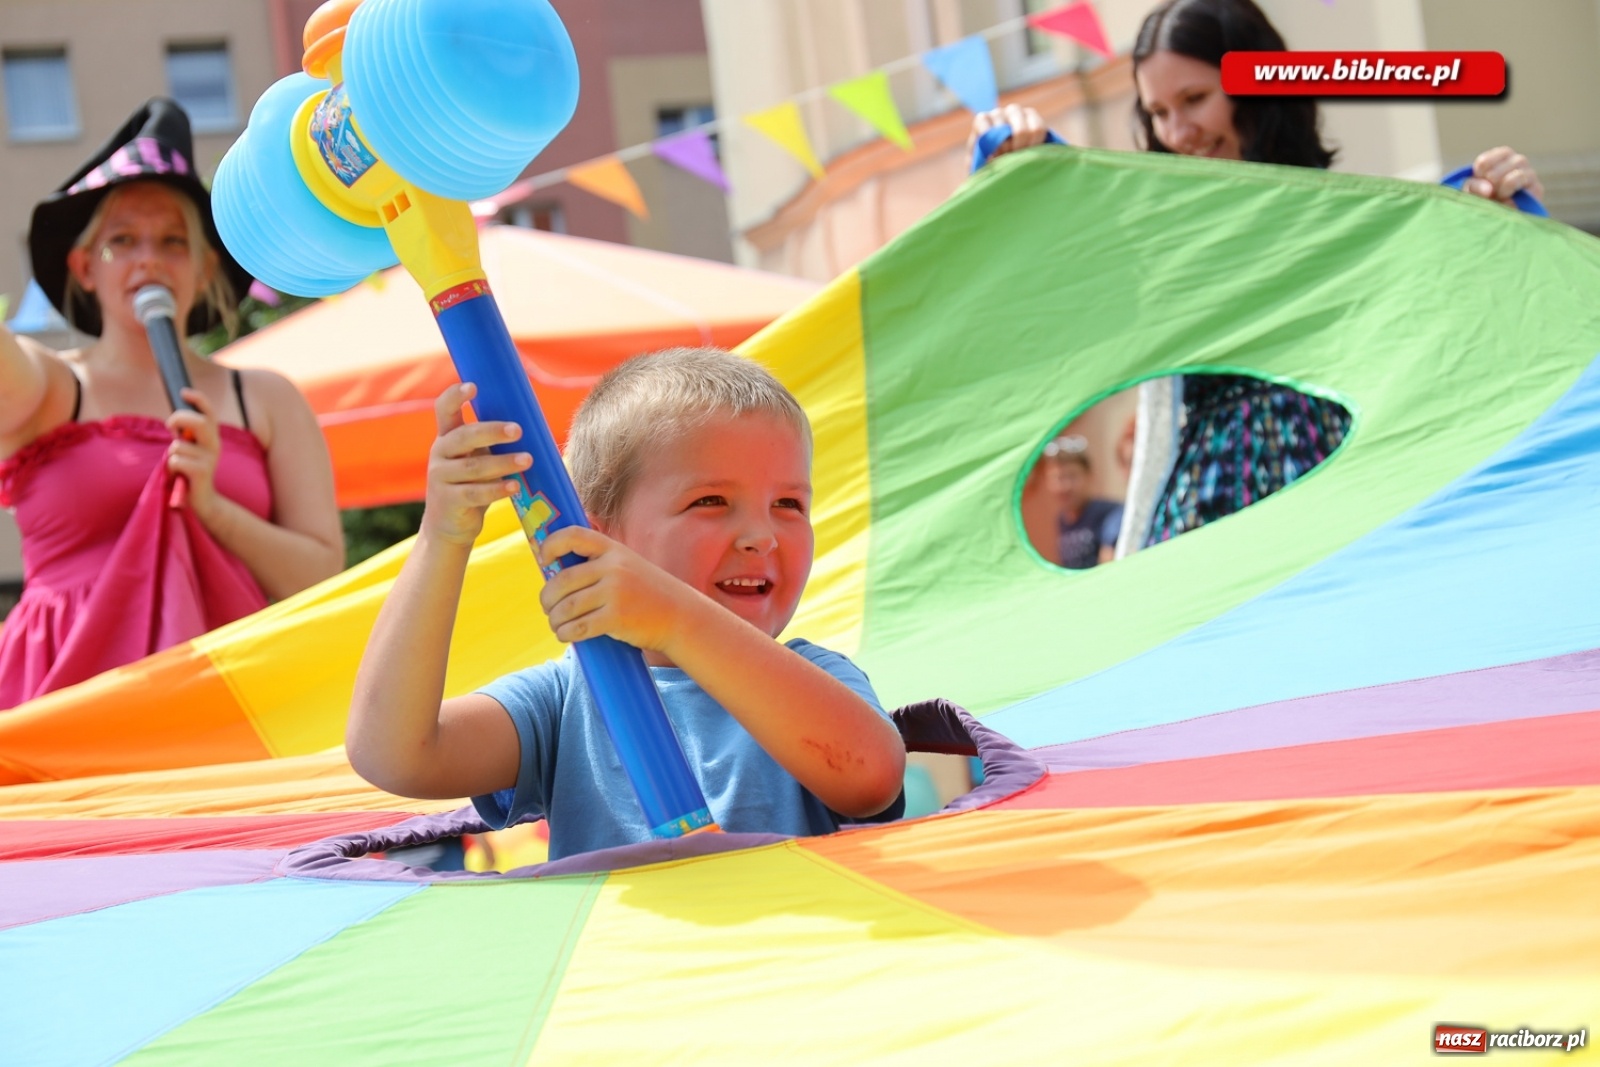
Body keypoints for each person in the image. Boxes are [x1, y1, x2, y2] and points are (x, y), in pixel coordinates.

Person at [968, 0, 1543, 549]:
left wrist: (1500, 222)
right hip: (1204, 521)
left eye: (1194, 98)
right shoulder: (1155, 241)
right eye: (1158, 113)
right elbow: (1042, 282)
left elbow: (1456, 330)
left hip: (1347, 501)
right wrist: (1020, 161)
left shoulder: (1356, 220)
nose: (1176, 132)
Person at [346, 348, 907, 861]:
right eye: (710, 501)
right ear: (597, 535)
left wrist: (679, 620)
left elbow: (870, 778)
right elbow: (394, 753)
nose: (762, 535)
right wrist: (442, 538)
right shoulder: (566, 700)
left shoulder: (815, 678)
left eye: (789, 503)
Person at [0, 99, 343, 708]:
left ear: (206, 265)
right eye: (122, 241)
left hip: (233, 701)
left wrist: (214, 508)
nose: (149, 259)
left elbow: (320, 581)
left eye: (173, 241)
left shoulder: (264, 399)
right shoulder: (51, 387)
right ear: (83, 267)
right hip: (64, 702)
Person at [1043, 436, 1123, 569]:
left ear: (1089, 475)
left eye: (1072, 476)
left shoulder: (1110, 513)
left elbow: (1111, 563)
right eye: (1057, 478)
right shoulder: (1061, 521)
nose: (1065, 486)